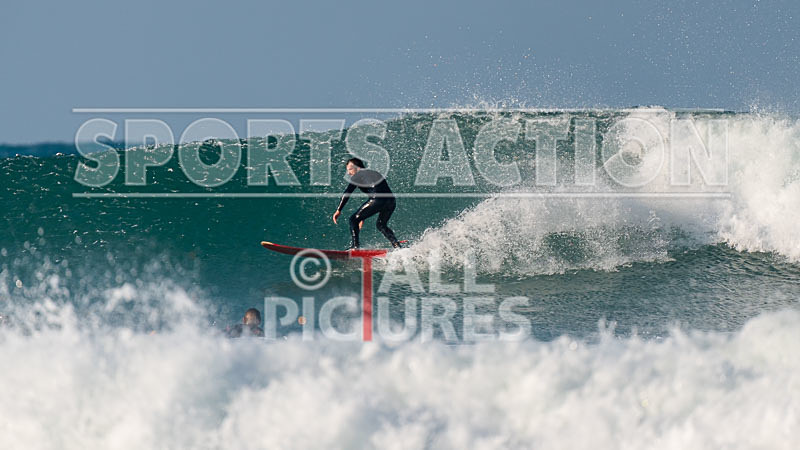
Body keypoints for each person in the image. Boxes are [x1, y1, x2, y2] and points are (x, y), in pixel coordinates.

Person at [332, 158, 401, 249]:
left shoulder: (357, 176)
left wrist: (339, 210)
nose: (348, 173)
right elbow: (377, 191)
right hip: (391, 200)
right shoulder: (373, 173)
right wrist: (363, 216)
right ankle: (396, 244)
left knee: (353, 219)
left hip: (377, 199)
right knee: (381, 225)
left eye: (350, 169)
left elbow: (347, 193)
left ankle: (355, 247)